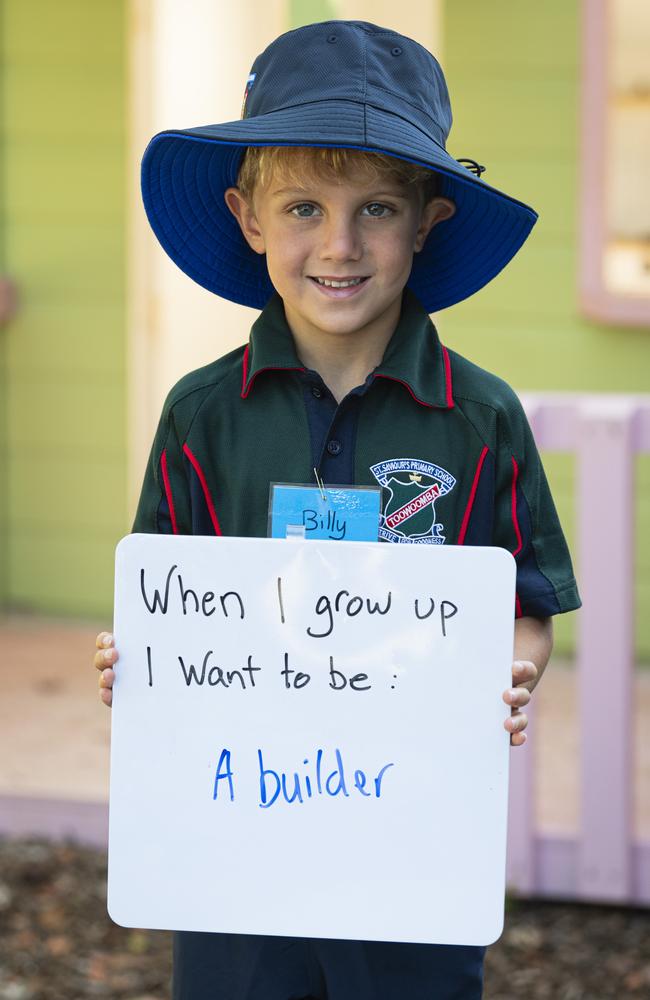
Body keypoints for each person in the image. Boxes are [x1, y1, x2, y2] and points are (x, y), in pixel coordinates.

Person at [94, 20, 580, 1000]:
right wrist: (133, 657)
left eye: (377, 209)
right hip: (234, 859)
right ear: (248, 219)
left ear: (426, 220)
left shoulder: (481, 415)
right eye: (304, 206)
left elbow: (523, 600)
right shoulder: (200, 413)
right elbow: (166, 599)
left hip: (412, 849)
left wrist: (513, 671)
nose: (339, 244)